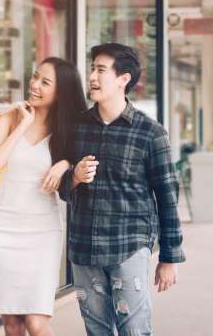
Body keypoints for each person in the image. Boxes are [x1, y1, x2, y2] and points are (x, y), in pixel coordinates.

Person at [58, 43, 185, 336]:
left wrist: (169, 257)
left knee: (134, 330)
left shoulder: (150, 133)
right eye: (92, 68)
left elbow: (167, 198)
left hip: (128, 246)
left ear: (123, 79)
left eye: (101, 70)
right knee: (96, 331)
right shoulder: (76, 128)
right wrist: (73, 177)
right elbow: (63, 188)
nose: (92, 76)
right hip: (84, 249)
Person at [0, 57, 86, 336]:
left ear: (60, 92)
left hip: (43, 231)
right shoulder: (8, 117)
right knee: (12, 324)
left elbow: (79, 169)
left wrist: (65, 163)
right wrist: (22, 123)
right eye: (35, 77)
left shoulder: (68, 129)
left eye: (45, 82)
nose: (35, 85)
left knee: (36, 323)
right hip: (3, 227)